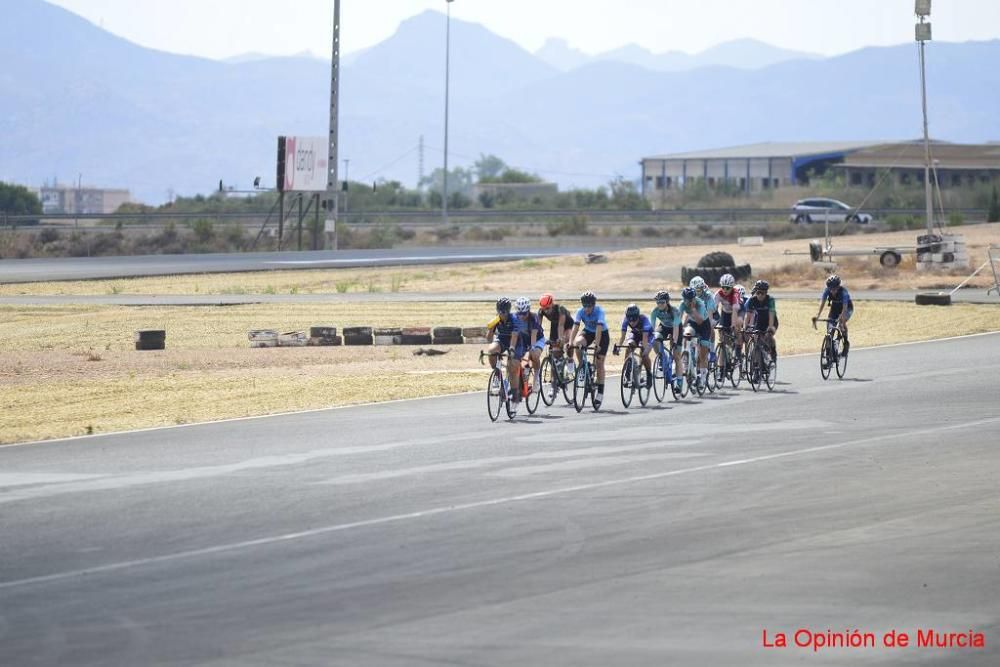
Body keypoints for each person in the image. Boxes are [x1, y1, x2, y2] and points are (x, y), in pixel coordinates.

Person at [485, 297, 528, 415]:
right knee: (492, 350)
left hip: (516, 343)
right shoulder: (496, 320)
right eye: (499, 311)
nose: (501, 314)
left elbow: (514, 337)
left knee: (512, 366)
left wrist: (512, 350)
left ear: (508, 311)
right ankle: (497, 376)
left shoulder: (515, 320)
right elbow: (489, 340)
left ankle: (514, 398)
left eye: (503, 312)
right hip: (502, 340)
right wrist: (490, 329)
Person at [569, 291, 609, 407]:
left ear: (593, 305)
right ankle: (582, 366)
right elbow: (576, 327)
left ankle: (600, 392)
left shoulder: (599, 311)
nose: (586, 308)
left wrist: (597, 343)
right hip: (588, 332)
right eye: (584, 305)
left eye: (589, 306)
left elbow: (599, 328)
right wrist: (571, 342)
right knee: (578, 343)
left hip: (601, 333)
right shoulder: (580, 311)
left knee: (600, 362)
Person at [677, 286, 711, 389]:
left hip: (704, 325)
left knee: (703, 354)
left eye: (690, 299)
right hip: (693, 324)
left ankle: (703, 378)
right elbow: (678, 319)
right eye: (685, 299)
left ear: (694, 298)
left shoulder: (700, 303)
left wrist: (692, 309)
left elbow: (700, 321)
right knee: (686, 334)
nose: (687, 302)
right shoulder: (682, 304)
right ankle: (687, 355)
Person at [613, 303, 654, 388]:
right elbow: (623, 336)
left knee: (644, 354)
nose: (632, 322)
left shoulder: (644, 320)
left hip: (648, 336)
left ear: (638, 317)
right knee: (629, 346)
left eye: (634, 320)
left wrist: (645, 349)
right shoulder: (626, 320)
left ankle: (649, 374)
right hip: (636, 334)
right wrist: (619, 348)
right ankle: (627, 372)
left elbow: (645, 339)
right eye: (630, 320)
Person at [813, 274, 853, 360]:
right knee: (829, 331)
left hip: (847, 308)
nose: (832, 290)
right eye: (830, 288)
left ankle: (846, 343)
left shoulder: (844, 292)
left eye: (834, 288)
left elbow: (845, 308)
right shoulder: (827, 291)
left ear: (838, 286)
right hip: (834, 309)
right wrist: (817, 315)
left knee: (841, 323)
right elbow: (822, 303)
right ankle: (828, 355)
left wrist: (841, 318)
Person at [649, 290, 683, 389]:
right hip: (664, 326)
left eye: (662, 302)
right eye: (658, 302)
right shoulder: (655, 311)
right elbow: (652, 327)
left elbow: (676, 328)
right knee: (655, 339)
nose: (659, 304)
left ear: (667, 302)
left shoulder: (675, 311)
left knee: (677, 356)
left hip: (676, 328)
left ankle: (679, 382)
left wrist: (675, 341)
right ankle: (661, 357)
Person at [538, 292, 576, 375]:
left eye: (548, 308)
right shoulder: (541, 311)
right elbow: (538, 326)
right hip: (555, 325)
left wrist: (560, 338)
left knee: (567, 341)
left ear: (552, 304)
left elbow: (561, 326)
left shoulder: (560, 309)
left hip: (567, 325)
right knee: (555, 350)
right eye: (544, 308)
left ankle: (570, 360)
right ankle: (558, 370)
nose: (546, 311)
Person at [515, 296, 546, 391]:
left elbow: (533, 335)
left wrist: (532, 348)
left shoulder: (534, 318)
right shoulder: (515, 318)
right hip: (524, 340)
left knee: (533, 355)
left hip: (537, 339)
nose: (521, 316)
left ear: (528, 310)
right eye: (519, 313)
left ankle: (536, 378)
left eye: (524, 314)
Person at [714, 273, 743, 369]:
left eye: (728, 288)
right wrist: (712, 322)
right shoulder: (718, 293)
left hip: (737, 312)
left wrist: (733, 325)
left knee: (737, 326)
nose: (725, 290)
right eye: (723, 287)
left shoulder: (735, 294)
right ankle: (721, 368)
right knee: (723, 339)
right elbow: (714, 309)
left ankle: (738, 351)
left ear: (732, 287)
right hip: (725, 312)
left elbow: (735, 311)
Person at [745, 279, 778, 361]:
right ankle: (758, 362)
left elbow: (771, 313)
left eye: (762, 293)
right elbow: (748, 315)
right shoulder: (752, 300)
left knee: (769, 336)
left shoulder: (770, 300)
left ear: (766, 293)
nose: (760, 295)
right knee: (756, 339)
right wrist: (745, 327)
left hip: (771, 320)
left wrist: (770, 327)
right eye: (758, 292)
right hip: (759, 321)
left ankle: (773, 351)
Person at [690, 275, 719, 365]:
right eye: (695, 290)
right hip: (699, 316)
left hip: (711, 314)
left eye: (699, 290)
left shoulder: (708, 296)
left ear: (703, 288)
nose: (697, 292)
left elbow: (710, 314)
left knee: (710, 327)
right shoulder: (690, 295)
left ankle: (712, 351)